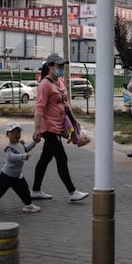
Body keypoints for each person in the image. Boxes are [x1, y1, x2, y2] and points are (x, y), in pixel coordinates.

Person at [31, 53, 89, 201]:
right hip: (49, 128)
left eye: (63, 66)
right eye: (59, 66)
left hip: (58, 126)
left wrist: (75, 123)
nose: (61, 69)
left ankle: (36, 190)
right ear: (50, 67)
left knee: (45, 158)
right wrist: (37, 129)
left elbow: (66, 104)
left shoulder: (61, 82)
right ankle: (72, 192)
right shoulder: (45, 85)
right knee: (62, 158)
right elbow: (39, 108)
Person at [0, 122, 41, 214]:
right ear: (7, 135)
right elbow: (10, 157)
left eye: (18, 132)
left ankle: (28, 205)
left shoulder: (20, 144)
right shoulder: (9, 147)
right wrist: (22, 156)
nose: (16, 135)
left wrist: (34, 142)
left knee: (24, 189)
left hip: (17, 175)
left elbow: (26, 149)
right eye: (13, 133)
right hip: (7, 175)